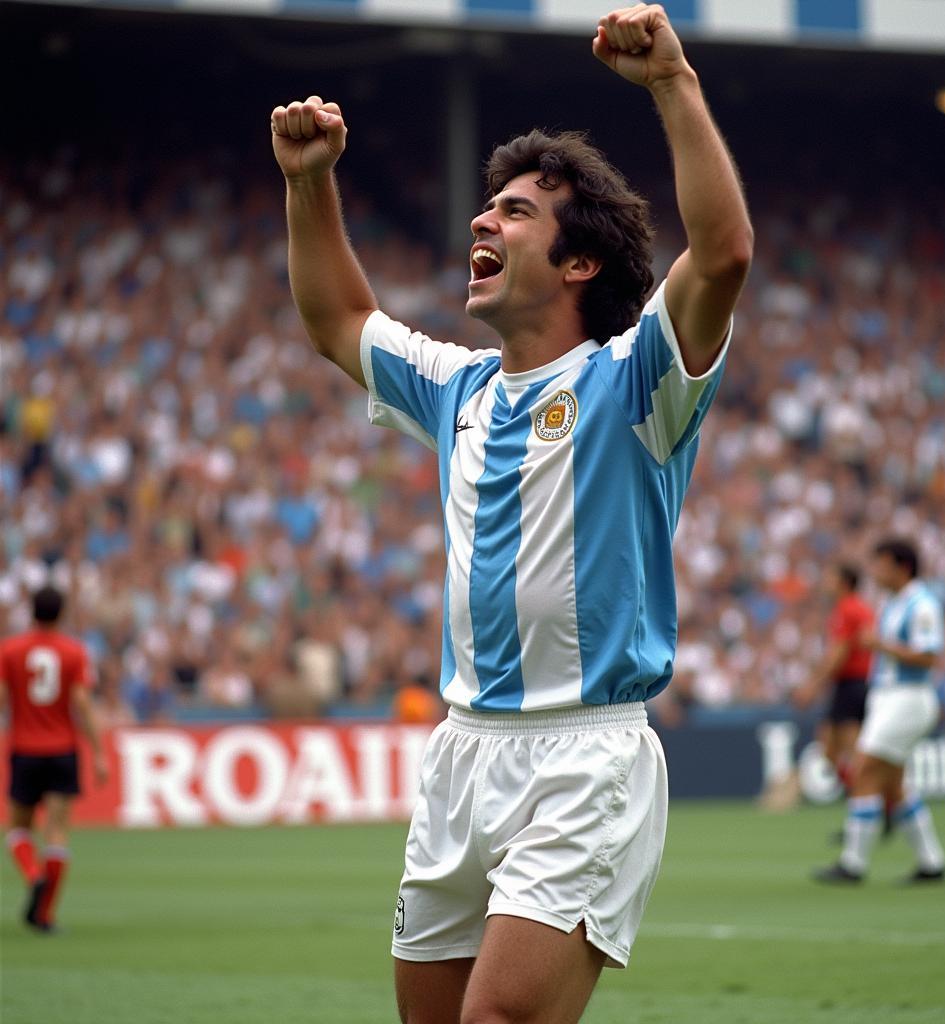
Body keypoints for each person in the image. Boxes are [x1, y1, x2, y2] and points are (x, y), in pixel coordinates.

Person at [271, 3, 752, 1020]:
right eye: (488, 207)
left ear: (578, 263)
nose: (483, 221)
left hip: (584, 755)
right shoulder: (458, 389)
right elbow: (335, 318)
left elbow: (720, 257)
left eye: (517, 212)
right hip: (461, 751)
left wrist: (671, 81)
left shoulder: (636, 383)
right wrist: (308, 183)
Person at [815, 539, 945, 885]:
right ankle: (931, 861)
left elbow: (931, 656)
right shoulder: (893, 603)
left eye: (882, 565)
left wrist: (880, 645)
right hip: (889, 698)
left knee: (862, 770)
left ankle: (853, 862)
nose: (875, 572)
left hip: (907, 697)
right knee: (893, 784)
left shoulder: (922, 605)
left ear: (902, 567)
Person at [1, 586, 109, 932]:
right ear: (61, 614)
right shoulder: (73, 652)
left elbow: (2, 698)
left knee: (18, 828)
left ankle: (33, 875)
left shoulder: (10, 651)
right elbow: (82, 703)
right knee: (58, 832)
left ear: (31, 611)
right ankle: (45, 915)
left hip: (25, 749)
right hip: (62, 749)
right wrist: (99, 752)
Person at [793, 563, 874, 792]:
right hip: (853, 684)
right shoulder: (857, 608)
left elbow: (839, 653)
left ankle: (872, 804)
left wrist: (812, 685)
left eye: (830, 578)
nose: (825, 583)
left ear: (844, 583)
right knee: (830, 748)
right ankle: (867, 800)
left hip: (851, 684)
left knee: (850, 751)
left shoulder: (848, 609)